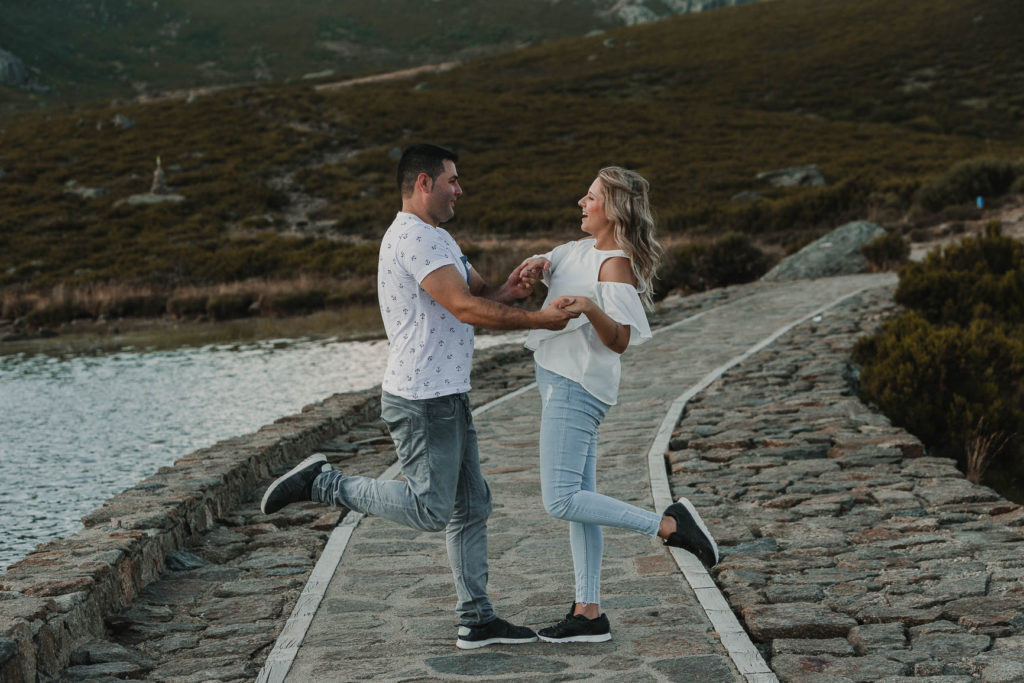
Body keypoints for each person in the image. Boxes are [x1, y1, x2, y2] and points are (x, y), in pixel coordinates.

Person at [259, 143, 577, 649]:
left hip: (448, 393)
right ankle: (325, 483)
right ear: (424, 183)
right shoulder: (414, 237)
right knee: (431, 509)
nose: (460, 189)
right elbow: (463, 309)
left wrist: (513, 288)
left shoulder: (439, 237)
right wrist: (540, 319)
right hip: (423, 398)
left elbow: (480, 298)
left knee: (472, 507)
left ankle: (477, 617)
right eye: (452, 179)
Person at [517, 166, 719, 644]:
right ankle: (588, 613)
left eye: (590, 197)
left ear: (613, 209)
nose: (581, 203)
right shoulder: (576, 250)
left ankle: (669, 525)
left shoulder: (615, 263)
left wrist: (589, 309)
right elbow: (556, 259)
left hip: (578, 386)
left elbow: (620, 340)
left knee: (561, 499)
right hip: (555, 380)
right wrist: (538, 262)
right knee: (579, 505)